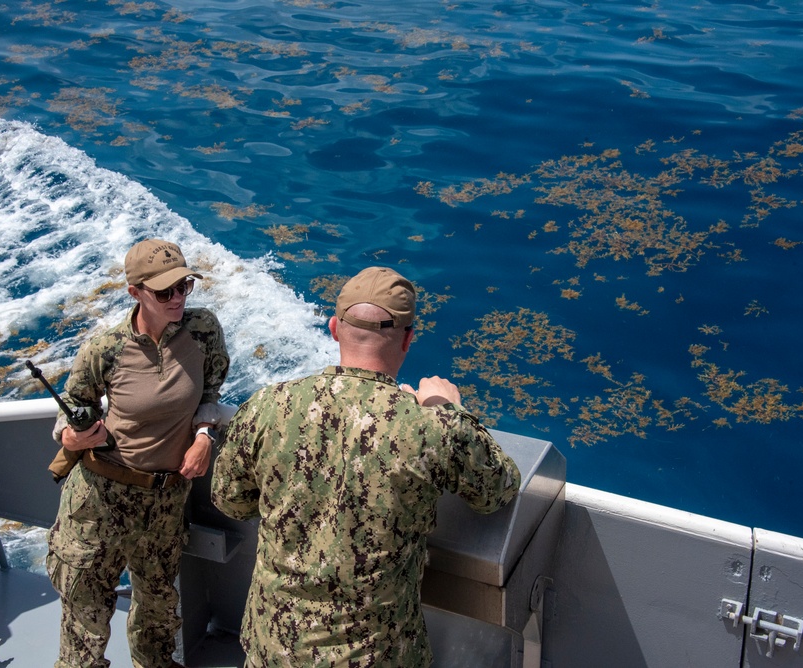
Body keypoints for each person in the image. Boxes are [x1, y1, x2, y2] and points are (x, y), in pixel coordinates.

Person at [211, 266, 521, 668]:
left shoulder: (268, 405)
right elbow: (498, 488)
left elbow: (230, 501)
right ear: (408, 339)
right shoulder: (430, 429)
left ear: (335, 327)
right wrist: (448, 410)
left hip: (274, 647)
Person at [46, 239, 229, 668]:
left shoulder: (203, 331)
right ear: (135, 293)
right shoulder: (104, 350)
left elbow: (211, 391)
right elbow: (72, 412)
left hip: (165, 498)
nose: (178, 299)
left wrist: (204, 436)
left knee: (159, 612)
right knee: (85, 615)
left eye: (184, 286)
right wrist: (73, 439)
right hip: (99, 496)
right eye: (164, 292)